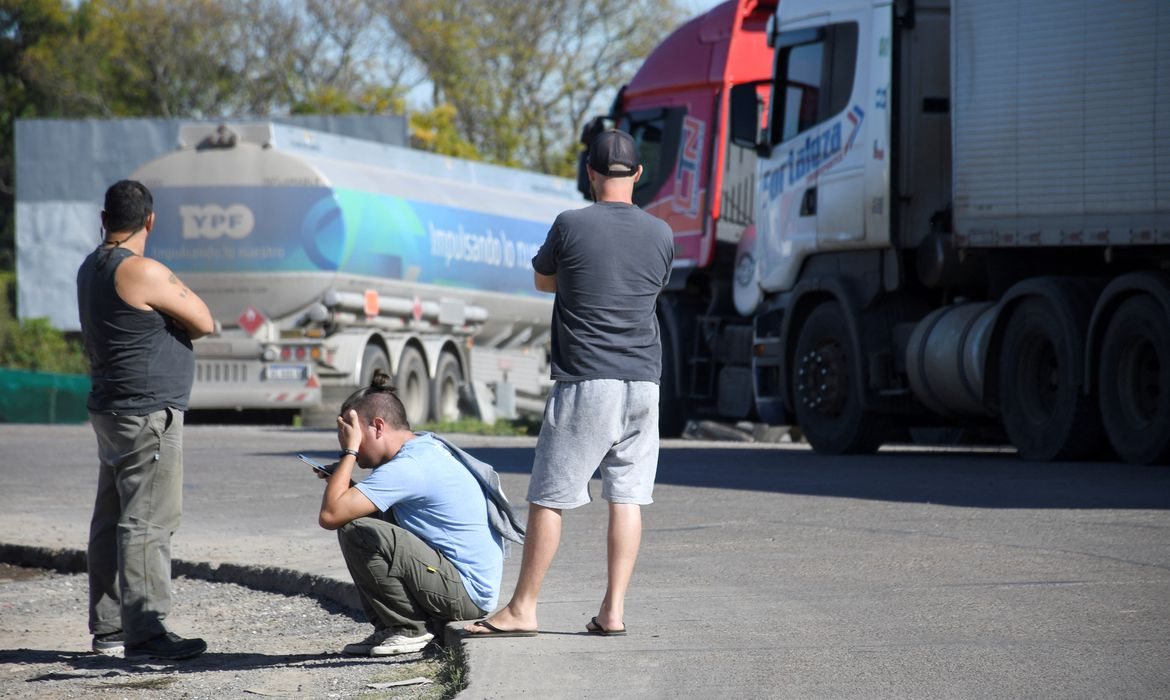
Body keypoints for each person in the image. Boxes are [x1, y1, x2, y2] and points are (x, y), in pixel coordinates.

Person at [465, 129, 673, 638]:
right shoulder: (662, 233)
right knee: (627, 497)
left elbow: (543, 279)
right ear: (638, 175)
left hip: (587, 382)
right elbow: (651, 285)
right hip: (644, 383)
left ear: (591, 175)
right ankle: (613, 611)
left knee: (549, 497)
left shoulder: (570, 224)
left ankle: (523, 609)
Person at [77, 179, 215, 660]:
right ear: (150, 221)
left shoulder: (90, 268)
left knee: (111, 518)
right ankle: (147, 631)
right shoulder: (141, 271)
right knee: (148, 523)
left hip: (111, 407)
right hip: (146, 413)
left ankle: (110, 629)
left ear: (104, 220)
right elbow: (203, 320)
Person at [317, 370, 523, 656]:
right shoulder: (425, 447)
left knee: (356, 530)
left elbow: (330, 516)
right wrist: (346, 482)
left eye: (352, 435)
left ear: (378, 426)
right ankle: (392, 628)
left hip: (466, 594)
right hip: (460, 583)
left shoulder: (408, 467)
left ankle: (407, 629)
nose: (346, 445)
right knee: (360, 522)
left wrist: (349, 454)